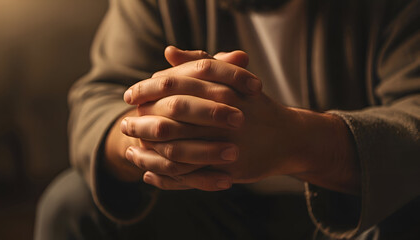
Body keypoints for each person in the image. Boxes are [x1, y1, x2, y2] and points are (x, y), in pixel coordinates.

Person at [35, 0, 420, 239]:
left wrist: (295, 143)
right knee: (70, 204)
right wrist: (150, 139)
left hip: (352, 209)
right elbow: (97, 99)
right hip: (209, 204)